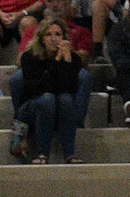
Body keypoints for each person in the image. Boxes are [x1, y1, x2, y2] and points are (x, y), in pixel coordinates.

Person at [16, 18, 86, 164]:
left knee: (65, 99)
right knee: (48, 99)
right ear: (41, 38)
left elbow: (69, 89)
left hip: (59, 107)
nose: (54, 39)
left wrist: (67, 61)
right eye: (49, 35)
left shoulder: (72, 58)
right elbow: (37, 88)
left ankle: (69, 154)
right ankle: (42, 154)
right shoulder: (30, 57)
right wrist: (56, 61)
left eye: (58, 34)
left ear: (64, 38)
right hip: (31, 106)